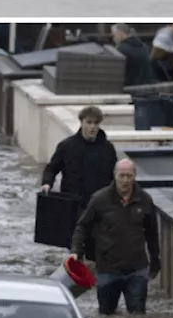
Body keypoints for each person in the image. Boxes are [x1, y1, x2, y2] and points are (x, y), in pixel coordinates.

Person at [69, 158, 161, 315]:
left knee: (137, 317)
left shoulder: (144, 200)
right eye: (122, 176)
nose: (125, 180)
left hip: (136, 269)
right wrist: (76, 251)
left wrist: (155, 260)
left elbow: (152, 233)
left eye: (129, 176)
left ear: (135, 176)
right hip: (108, 269)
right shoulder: (100, 199)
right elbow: (82, 226)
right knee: (106, 316)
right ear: (114, 175)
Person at [40, 107, 118, 259]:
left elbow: (113, 177)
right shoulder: (67, 146)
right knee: (74, 248)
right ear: (81, 122)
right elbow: (52, 167)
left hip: (98, 207)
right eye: (89, 122)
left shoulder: (107, 149)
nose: (92, 127)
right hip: (73, 206)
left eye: (96, 123)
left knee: (95, 249)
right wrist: (47, 183)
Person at [111, 23, 155, 87]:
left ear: (120, 33)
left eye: (113, 35)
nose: (113, 39)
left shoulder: (120, 49)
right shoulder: (144, 46)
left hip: (130, 88)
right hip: (146, 85)